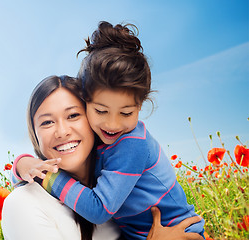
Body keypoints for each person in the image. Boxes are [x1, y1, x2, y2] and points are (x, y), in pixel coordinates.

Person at [12, 22, 205, 240]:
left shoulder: (132, 144)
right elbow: (24, 175)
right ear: (87, 101)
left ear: (140, 106)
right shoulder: (101, 141)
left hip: (179, 234)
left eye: (126, 113)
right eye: (101, 111)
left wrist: (47, 177)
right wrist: (23, 164)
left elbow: (98, 210)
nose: (112, 125)